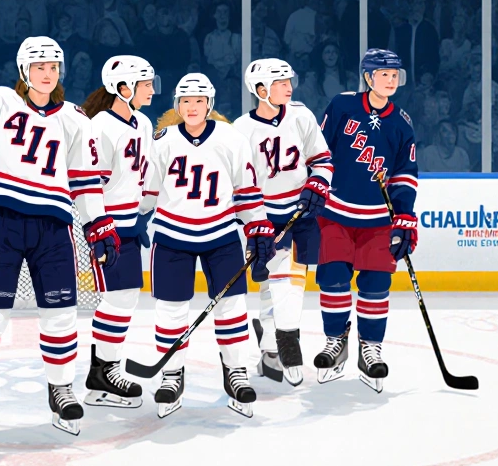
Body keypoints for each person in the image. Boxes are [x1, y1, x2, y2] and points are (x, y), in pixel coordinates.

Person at [0, 35, 116, 436]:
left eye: (53, 67)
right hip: (3, 223)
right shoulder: (3, 101)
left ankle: (61, 390)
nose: (46, 73)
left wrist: (98, 223)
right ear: (24, 71)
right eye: (39, 66)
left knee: (60, 314)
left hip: (54, 228)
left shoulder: (75, 118)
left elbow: (85, 181)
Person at [139, 73, 276, 418]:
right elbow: (149, 191)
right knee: (171, 312)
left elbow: (246, 190)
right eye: (186, 101)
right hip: (172, 236)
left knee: (232, 309)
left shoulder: (231, 139)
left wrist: (258, 229)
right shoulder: (163, 140)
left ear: (209, 104)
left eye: (199, 101)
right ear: (177, 105)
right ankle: (171, 374)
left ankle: (235, 371)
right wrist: (133, 219)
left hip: (221, 235)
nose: (193, 107)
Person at [314, 49, 419, 392]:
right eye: (384, 75)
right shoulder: (342, 106)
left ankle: (369, 348)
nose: (391, 81)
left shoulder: (401, 122)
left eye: (395, 76)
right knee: (333, 279)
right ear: (368, 76)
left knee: (375, 286)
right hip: (336, 213)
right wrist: (316, 182)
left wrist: (404, 216)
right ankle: (336, 340)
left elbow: (405, 173)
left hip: (378, 220)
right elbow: (320, 151)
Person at [234, 59, 332, 387]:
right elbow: (236, 181)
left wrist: (317, 183)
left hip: (299, 212)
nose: (290, 87)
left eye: (290, 80)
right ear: (261, 90)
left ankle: (282, 343)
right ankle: (275, 345)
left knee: (292, 280)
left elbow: (322, 160)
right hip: (262, 216)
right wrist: (248, 218)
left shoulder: (301, 115)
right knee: (270, 281)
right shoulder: (241, 130)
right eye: (281, 82)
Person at [79, 56, 159, 409]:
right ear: (123, 88)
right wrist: (100, 227)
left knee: (126, 299)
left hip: (128, 226)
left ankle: (104, 371)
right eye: (146, 85)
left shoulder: (141, 122)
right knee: (119, 299)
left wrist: (142, 215)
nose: (153, 91)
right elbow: (88, 185)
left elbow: (144, 175)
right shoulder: (100, 127)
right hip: (107, 228)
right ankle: (102, 373)